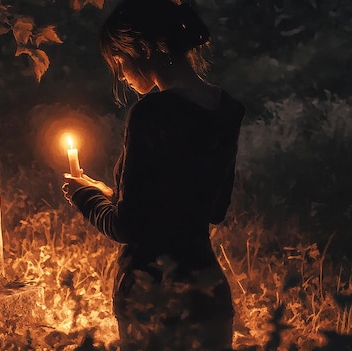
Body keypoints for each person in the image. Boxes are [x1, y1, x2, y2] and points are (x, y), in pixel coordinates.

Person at [61, 0, 245, 350]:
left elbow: (127, 227)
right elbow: (212, 208)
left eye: (119, 61)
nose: (120, 73)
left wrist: (84, 196)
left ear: (143, 49)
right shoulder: (228, 109)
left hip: (152, 293)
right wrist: (110, 193)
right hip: (207, 290)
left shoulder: (152, 112)